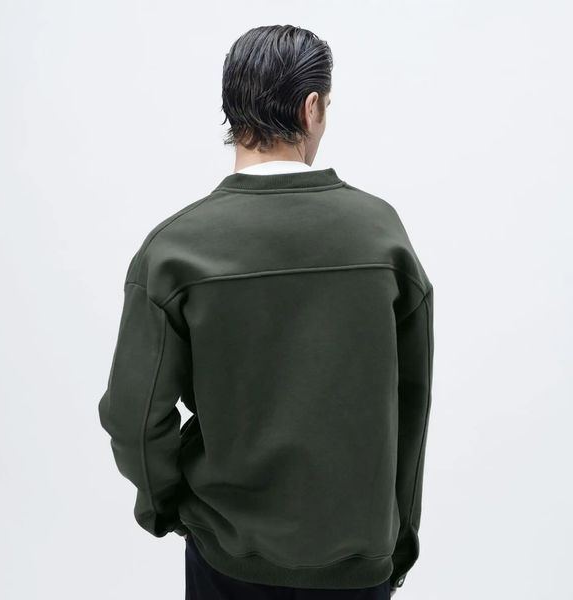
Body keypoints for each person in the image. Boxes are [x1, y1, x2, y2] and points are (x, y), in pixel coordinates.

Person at [99, 24, 434, 600]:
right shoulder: (382, 236)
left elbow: (133, 418)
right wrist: (396, 539)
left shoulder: (176, 249)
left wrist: (172, 509)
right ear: (312, 108)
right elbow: (411, 405)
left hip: (228, 556)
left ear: (232, 107)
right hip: (358, 561)